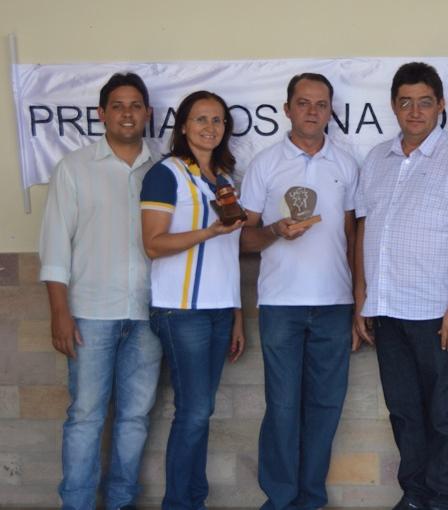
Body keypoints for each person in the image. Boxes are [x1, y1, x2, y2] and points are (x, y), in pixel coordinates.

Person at [353, 61, 448, 510]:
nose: (415, 111)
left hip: (437, 312)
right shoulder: (377, 158)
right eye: (406, 102)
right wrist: (362, 300)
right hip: (387, 311)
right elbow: (363, 230)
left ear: (441, 106)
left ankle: (441, 498)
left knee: (445, 417)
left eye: (425, 102)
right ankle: (414, 495)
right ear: (394, 106)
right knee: (405, 413)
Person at [39, 72, 163, 510]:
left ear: (148, 113)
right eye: (117, 105)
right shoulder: (74, 168)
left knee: (134, 419)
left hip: (149, 314)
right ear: (101, 114)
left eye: (135, 106)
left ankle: (120, 503)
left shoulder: (165, 166)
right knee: (86, 418)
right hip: (90, 312)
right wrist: (60, 312)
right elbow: (55, 245)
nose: (126, 113)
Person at [239, 73, 359, 510]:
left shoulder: (345, 164)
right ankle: (280, 499)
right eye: (303, 103)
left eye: (321, 104)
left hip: (334, 305)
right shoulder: (265, 164)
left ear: (330, 111)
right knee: (283, 408)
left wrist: (358, 304)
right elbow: (242, 238)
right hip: (280, 306)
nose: (312, 111)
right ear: (287, 108)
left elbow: (352, 236)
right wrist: (273, 231)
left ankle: (310, 500)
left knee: (326, 408)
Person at [140, 90, 246, 509]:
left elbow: (230, 254)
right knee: (194, 412)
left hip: (219, 310)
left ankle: (193, 500)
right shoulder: (165, 174)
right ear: (183, 126)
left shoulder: (223, 178)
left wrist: (237, 314)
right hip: (181, 311)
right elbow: (152, 244)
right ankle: (180, 503)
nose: (210, 127)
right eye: (201, 119)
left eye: (218, 120)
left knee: (200, 412)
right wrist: (208, 231)